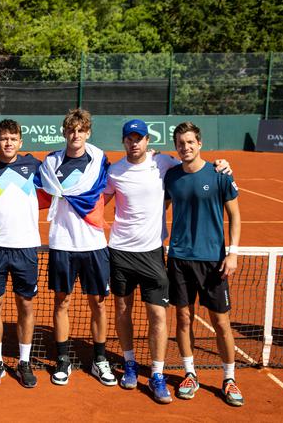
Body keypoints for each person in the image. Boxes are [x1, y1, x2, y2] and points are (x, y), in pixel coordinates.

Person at [105, 119, 233, 404]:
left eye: (139, 138)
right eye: (129, 138)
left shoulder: (164, 163)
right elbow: (98, 200)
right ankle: (128, 364)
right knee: (122, 309)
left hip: (152, 252)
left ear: (148, 140)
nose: (134, 142)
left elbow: (194, 164)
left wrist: (221, 164)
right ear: (124, 141)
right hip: (120, 251)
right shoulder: (114, 171)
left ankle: (158, 374)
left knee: (159, 316)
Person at [164, 121, 243, 407]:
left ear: (199, 143)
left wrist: (232, 252)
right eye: (180, 143)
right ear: (176, 147)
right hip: (179, 259)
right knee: (183, 319)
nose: (185, 147)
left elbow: (235, 216)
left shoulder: (219, 173)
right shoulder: (171, 176)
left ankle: (229, 378)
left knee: (221, 322)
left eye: (190, 142)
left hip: (213, 262)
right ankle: (189, 373)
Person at [37, 108, 116, 387]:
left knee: (98, 304)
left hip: (94, 243)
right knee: (63, 302)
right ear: (64, 132)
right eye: (71, 130)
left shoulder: (100, 161)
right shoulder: (50, 164)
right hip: (62, 243)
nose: (75, 135)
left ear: (88, 133)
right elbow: (31, 192)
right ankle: (62, 360)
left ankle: (100, 359)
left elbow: (124, 176)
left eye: (81, 130)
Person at [0, 119, 42, 388]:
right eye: (4, 138)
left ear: (21, 142)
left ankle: (24, 362)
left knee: (25, 305)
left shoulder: (34, 166)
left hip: (26, 247)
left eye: (13, 138)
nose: (8, 143)